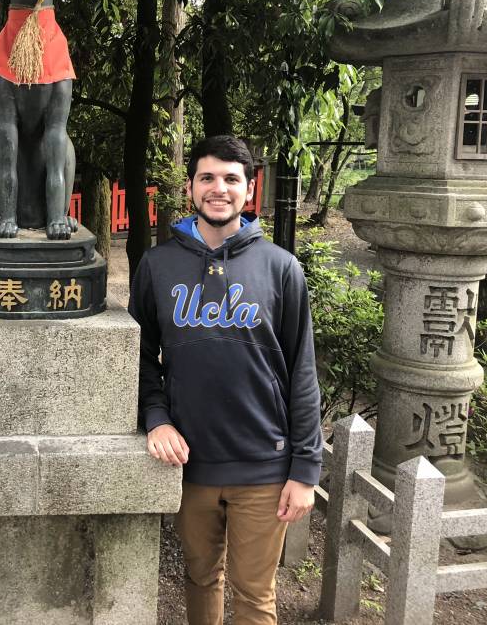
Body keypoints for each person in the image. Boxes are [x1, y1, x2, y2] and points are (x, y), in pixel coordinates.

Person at [129, 135, 322, 625]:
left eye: (231, 179)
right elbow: (139, 357)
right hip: (189, 461)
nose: (219, 188)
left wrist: (305, 470)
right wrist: (156, 418)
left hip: (264, 463)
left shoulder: (281, 268)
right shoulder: (157, 266)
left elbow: (301, 370)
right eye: (208, 178)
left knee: (255, 594)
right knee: (199, 578)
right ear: (191, 187)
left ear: (249, 189)